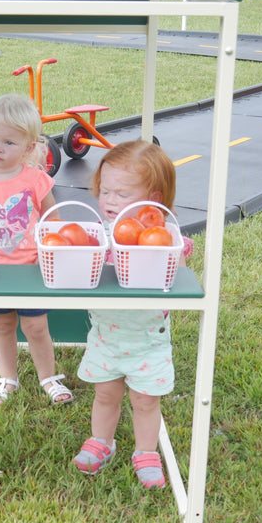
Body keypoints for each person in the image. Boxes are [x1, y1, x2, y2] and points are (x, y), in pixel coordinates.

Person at [71, 140, 193, 489]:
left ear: (152, 198)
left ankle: (145, 451)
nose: (109, 200)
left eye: (121, 193)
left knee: (145, 399)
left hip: (146, 341)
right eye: (104, 191)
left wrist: (168, 253)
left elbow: (179, 276)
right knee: (105, 394)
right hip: (106, 335)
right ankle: (101, 441)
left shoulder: (163, 235)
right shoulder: (101, 234)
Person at [0, 93, 74, 407]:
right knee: (2, 325)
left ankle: (48, 378)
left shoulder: (35, 180)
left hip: (31, 268)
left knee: (36, 326)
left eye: (8, 143)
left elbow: (54, 219)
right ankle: (8, 380)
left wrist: (62, 247)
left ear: (28, 148)